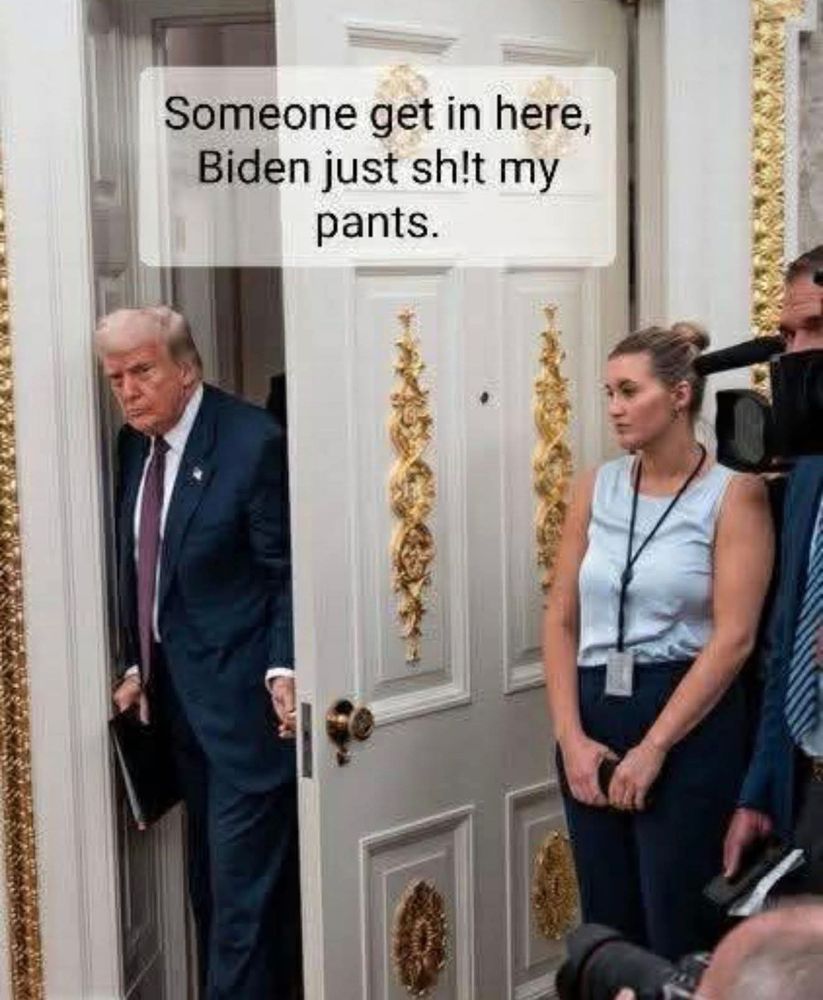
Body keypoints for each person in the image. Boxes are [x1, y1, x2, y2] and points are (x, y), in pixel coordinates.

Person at [543, 322, 774, 960]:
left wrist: (654, 747)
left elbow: (734, 638)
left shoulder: (734, 492)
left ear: (679, 395)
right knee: (607, 926)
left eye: (628, 391)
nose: (614, 408)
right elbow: (560, 617)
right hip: (594, 709)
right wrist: (570, 739)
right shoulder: (595, 485)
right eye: (608, 393)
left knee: (677, 922)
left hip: (688, 717)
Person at [97, 307, 300, 999]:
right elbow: (141, 566)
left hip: (247, 715)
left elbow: (286, 573)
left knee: (241, 909)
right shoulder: (134, 447)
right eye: (115, 378)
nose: (128, 392)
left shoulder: (253, 442)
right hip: (177, 712)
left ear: (187, 370)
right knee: (212, 893)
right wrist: (135, 664)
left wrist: (283, 668)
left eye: (141, 371)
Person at [724, 247, 823, 892]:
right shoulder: (808, 467)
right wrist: (761, 790)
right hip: (808, 790)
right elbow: (785, 641)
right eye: (788, 335)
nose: (797, 352)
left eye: (816, 328)